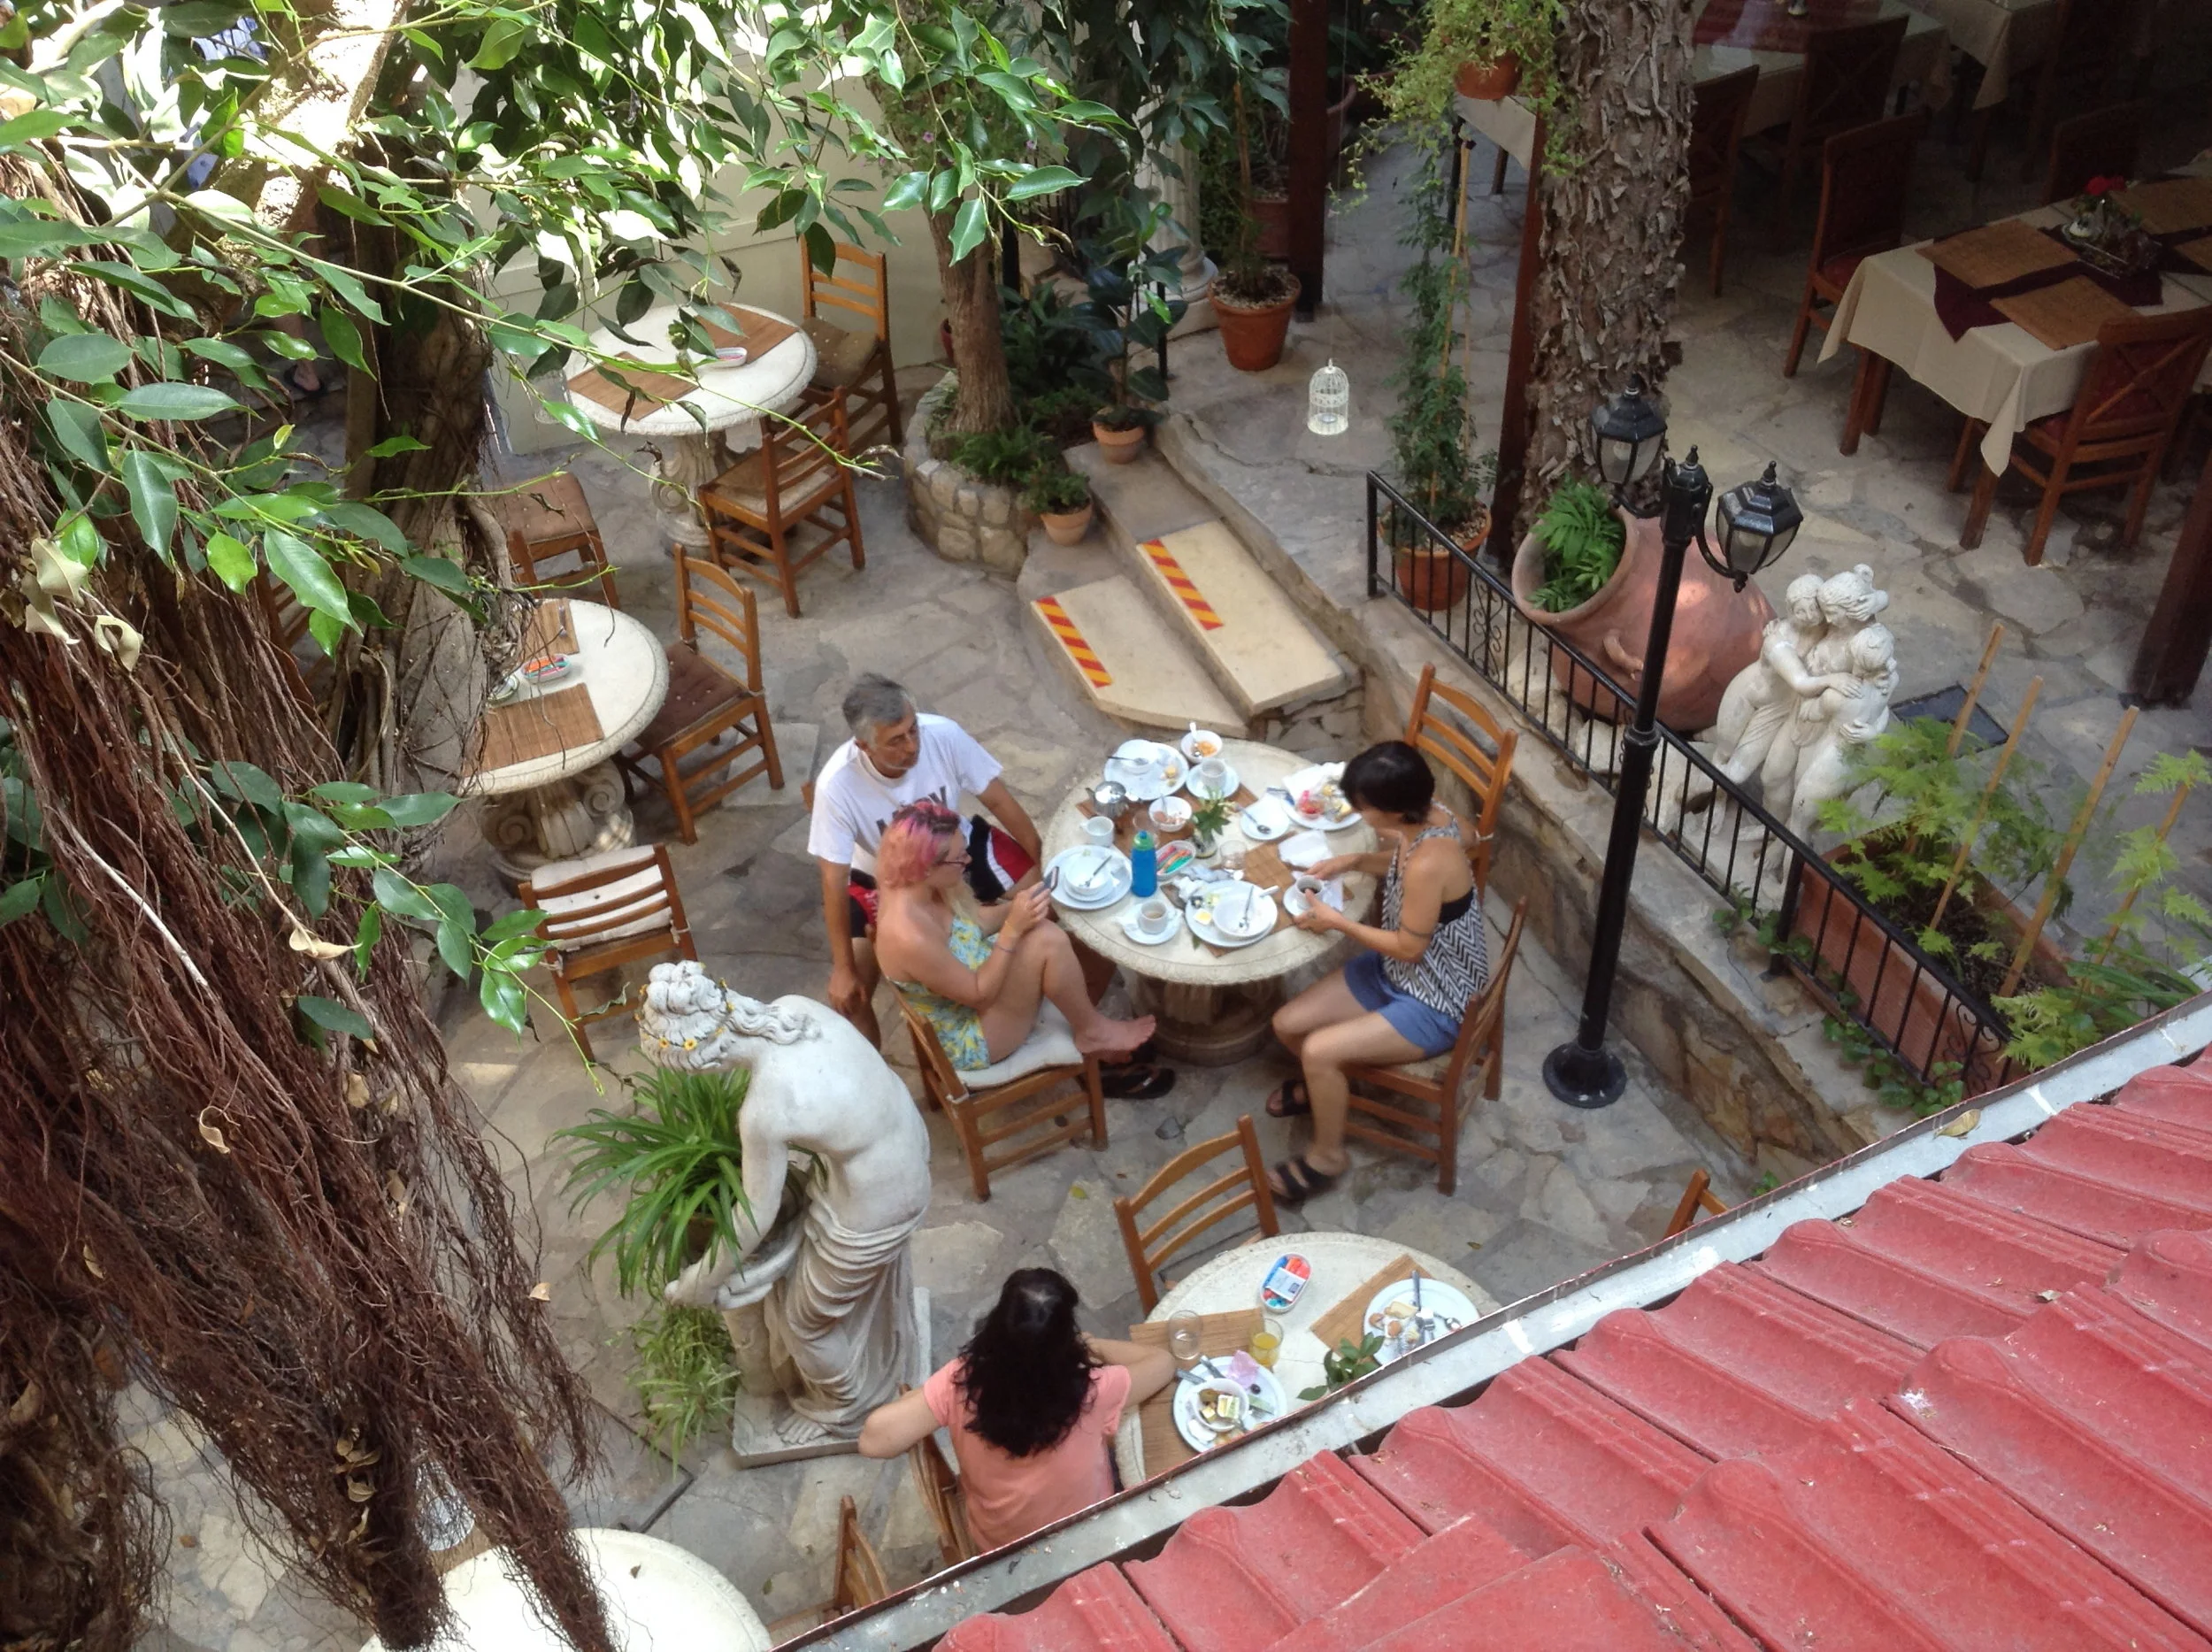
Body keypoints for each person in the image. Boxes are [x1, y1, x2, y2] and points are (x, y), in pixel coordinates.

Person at [1263, 741, 1489, 1204]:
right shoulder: (1434, 816)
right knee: (1286, 1024)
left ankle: (1328, 1156)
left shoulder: (1430, 862)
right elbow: (1455, 844)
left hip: (1436, 1000)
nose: (1359, 813)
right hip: (1397, 972)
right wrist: (1353, 861)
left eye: (1364, 807)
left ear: (1394, 810)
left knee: (1318, 1050)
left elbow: (1409, 947)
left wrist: (1337, 922)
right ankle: (1327, 1088)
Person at [857, 1269, 1173, 1550]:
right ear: (1066, 1339)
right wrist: (1092, 1345)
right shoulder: (1094, 1390)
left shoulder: (961, 1383)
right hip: (1085, 1536)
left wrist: (926, 1397)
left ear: (996, 1327)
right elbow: (1164, 1363)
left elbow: (872, 1441)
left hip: (999, 1545)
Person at [809, 674, 1045, 1048]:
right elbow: (832, 880)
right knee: (851, 997)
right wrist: (843, 968)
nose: (912, 746)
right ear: (864, 746)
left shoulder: (943, 735)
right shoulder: (837, 785)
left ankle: (1042, 997)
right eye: (896, 741)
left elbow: (1000, 802)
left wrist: (1040, 866)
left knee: (1053, 902)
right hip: (882, 879)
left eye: (913, 729)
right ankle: (878, 1076)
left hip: (956, 853)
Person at [872, 800, 1157, 1067]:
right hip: (971, 1034)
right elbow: (978, 995)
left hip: (973, 976)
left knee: (1056, 932)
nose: (969, 861)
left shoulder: (914, 883)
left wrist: (1023, 904)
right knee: (1047, 939)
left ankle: (1086, 1020)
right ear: (927, 867)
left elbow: (970, 926)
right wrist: (1012, 930)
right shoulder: (908, 935)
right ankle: (1092, 1032)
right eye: (960, 858)